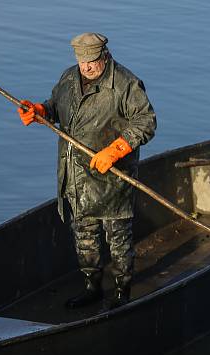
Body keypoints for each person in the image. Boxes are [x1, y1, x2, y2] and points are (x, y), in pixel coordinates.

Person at [17, 32, 157, 310]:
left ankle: (121, 292)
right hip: (76, 176)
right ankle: (92, 287)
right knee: (84, 236)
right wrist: (40, 111)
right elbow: (56, 108)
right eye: (83, 62)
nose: (87, 67)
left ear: (104, 55)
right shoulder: (69, 78)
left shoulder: (126, 84)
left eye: (92, 61)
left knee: (118, 238)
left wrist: (115, 150)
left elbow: (146, 122)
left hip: (112, 179)